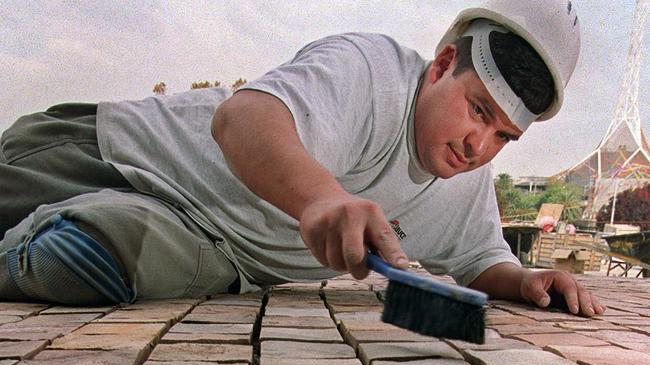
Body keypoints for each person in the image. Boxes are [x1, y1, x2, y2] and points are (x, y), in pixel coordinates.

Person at [0, 0, 603, 316]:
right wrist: (323, 196)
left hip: (206, 248)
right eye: (477, 110)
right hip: (115, 155)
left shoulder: (465, 181)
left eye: (502, 136)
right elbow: (241, 118)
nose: (480, 147)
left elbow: (478, 259)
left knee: (82, 258)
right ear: (442, 64)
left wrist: (524, 280)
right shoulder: (371, 70)